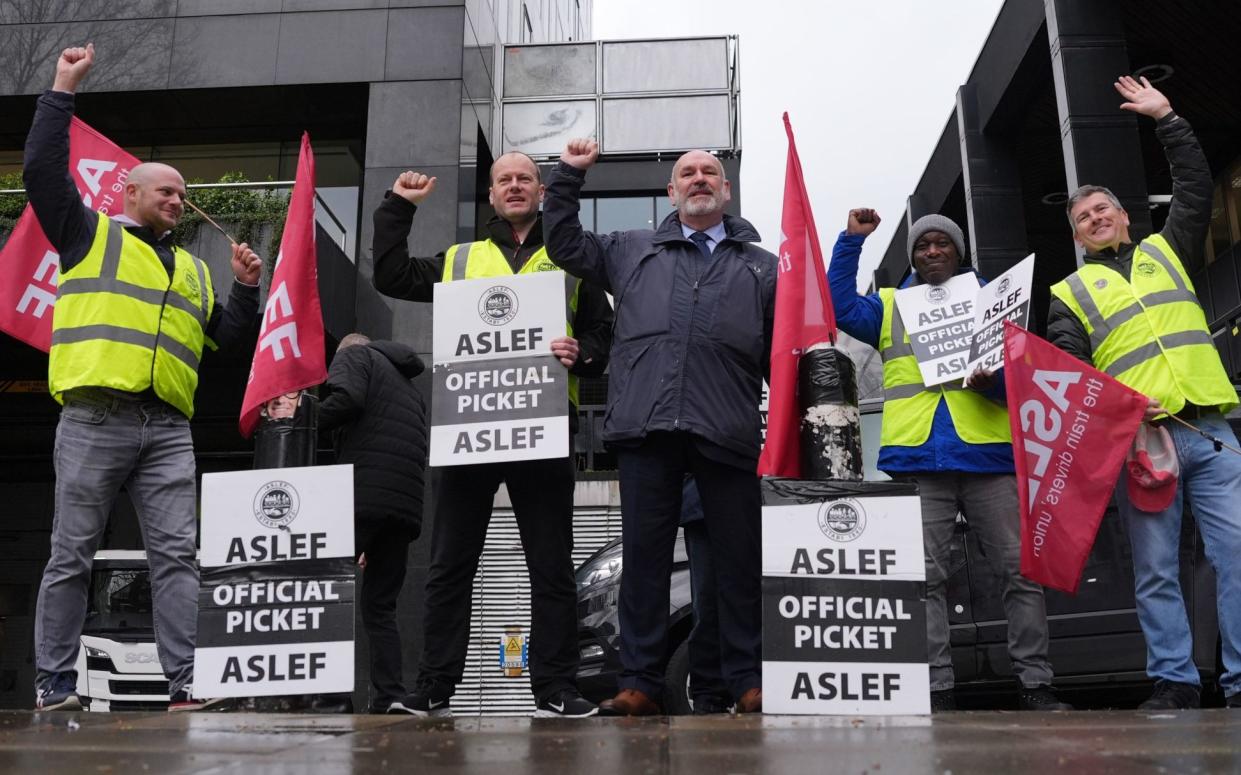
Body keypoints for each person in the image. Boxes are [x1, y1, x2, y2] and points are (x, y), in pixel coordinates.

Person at [24, 44, 261, 712]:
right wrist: (62, 88)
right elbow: (43, 168)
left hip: (166, 429)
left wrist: (244, 290)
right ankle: (54, 682)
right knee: (71, 553)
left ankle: (187, 683)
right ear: (129, 192)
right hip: (94, 417)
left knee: (177, 557)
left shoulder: (191, 269)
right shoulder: (86, 233)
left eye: (183, 194)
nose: (178, 200)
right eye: (167, 190)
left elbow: (224, 342)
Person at [372, 153, 612, 718]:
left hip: (544, 426)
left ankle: (554, 686)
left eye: (524, 178)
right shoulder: (459, 259)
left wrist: (584, 354)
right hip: (469, 430)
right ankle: (434, 687)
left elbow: (603, 337)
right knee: (451, 563)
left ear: (541, 191)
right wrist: (397, 207)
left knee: (550, 565)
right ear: (491, 195)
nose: (514, 186)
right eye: (504, 179)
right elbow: (390, 274)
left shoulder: (571, 258)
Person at [543, 139, 776, 715]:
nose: (699, 179)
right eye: (687, 173)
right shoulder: (630, 248)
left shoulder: (763, 267)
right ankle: (640, 683)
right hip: (646, 427)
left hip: (727, 429)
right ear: (671, 191)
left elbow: (783, 353)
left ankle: (747, 678)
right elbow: (564, 241)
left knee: (736, 562)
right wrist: (570, 173)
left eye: (710, 173)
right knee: (645, 560)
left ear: (726, 190)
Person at [1047, 75, 1241, 711]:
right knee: (1156, 572)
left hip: (1211, 433)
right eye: (1083, 218)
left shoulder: (1169, 249)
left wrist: (1167, 118)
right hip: (1143, 445)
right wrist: (1123, 410)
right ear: (1078, 237)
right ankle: (1176, 682)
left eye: (1102, 209)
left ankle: (1239, 682)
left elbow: (1191, 184)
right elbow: (1075, 376)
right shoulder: (1067, 296)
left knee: (1237, 556)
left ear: (1125, 216)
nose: (1095, 219)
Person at [827, 208, 1071, 712]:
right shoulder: (890, 305)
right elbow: (839, 306)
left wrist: (994, 380)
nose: (932, 251)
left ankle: (1036, 684)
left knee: (1019, 574)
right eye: (922, 245)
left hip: (987, 457)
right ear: (913, 256)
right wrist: (852, 240)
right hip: (920, 459)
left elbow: (1023, 384)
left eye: (942, 243)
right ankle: (937, 689)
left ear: (958, 251)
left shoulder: (996, 301)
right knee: (923, 579)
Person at [317, 333, 428, 714]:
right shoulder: (410, 388)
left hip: (360, 496)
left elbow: (346, 400)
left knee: (325, 592)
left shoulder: (354, 356)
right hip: (403, 507)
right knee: (380, 607)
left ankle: (328, 694)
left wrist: (302, 415)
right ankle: (391, 696)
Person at [679, 477, 732, 714]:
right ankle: (709, 692)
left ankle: (711, 692)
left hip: (775, 494)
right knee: (707, 602)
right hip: (703, 498)